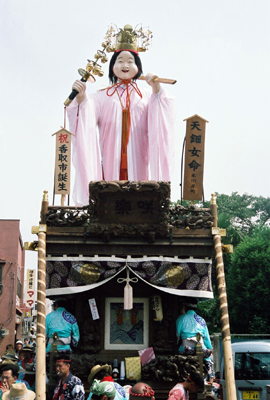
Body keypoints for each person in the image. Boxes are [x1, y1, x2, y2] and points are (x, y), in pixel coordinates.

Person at [67, 24, 175, 206]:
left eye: (130, 61)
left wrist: (157, 89)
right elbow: (86, 112)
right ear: (112, 66)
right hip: (111, 159)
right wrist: (82, 97)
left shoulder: (146, 95)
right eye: (120, 61)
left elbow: (162, 113)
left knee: (139, 189)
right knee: (111, 190)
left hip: (139, 159)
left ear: (138, 67)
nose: (125, 65)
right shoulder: (102, 96)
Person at [176, 298, 214, 380]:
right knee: (209, 361)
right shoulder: (201, 320)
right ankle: (209, 377)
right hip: (201, 349)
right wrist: (210, 348)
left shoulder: (181, 319)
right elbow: (206, 339)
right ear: (196, 308)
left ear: (185, 307)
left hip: (184, 348)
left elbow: (177, 336)